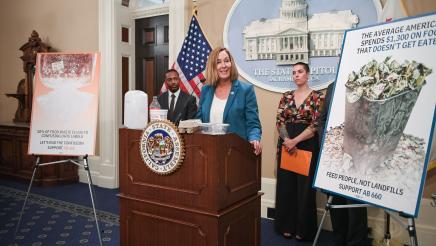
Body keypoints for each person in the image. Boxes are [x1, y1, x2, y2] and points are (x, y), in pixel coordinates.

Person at [274, 62, 324, 241]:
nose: (296, 75)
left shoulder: (318, 97)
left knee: (304, 190)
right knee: (286, 187)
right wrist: (287, 140)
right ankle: (286, 225)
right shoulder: (286, 96)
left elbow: (316, 124)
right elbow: (280, 121)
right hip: (287, 144)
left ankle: (303, 229)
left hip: (306, 144)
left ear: (308, 74)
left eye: (300, 71)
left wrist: (296, 140)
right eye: (294, 72)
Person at [317, 83, 370, 246]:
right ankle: (339, 239)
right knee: (335, 202)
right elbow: (323, 119)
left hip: (357, 155)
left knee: (355, 204)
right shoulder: (333, 86)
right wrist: (325, 146)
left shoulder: (366, 85)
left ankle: (356, 242)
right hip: (334, 155)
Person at [196, 47, 262, 155]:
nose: (223, 65)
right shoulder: (206, 90)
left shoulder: (245, 90)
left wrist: (254, 139)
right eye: (218, 62)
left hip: (236, 153)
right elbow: (198, 122)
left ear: (231, 64)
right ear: (213, 67)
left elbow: (253, 124)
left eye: (226, 61)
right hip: (208, 152)